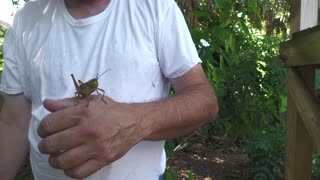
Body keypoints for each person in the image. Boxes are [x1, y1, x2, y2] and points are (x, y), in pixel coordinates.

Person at [0, 0, 218, 179]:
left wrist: (135, 121)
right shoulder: (26, 20)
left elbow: (205, 101)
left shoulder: (156, 7)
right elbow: (13, 122)